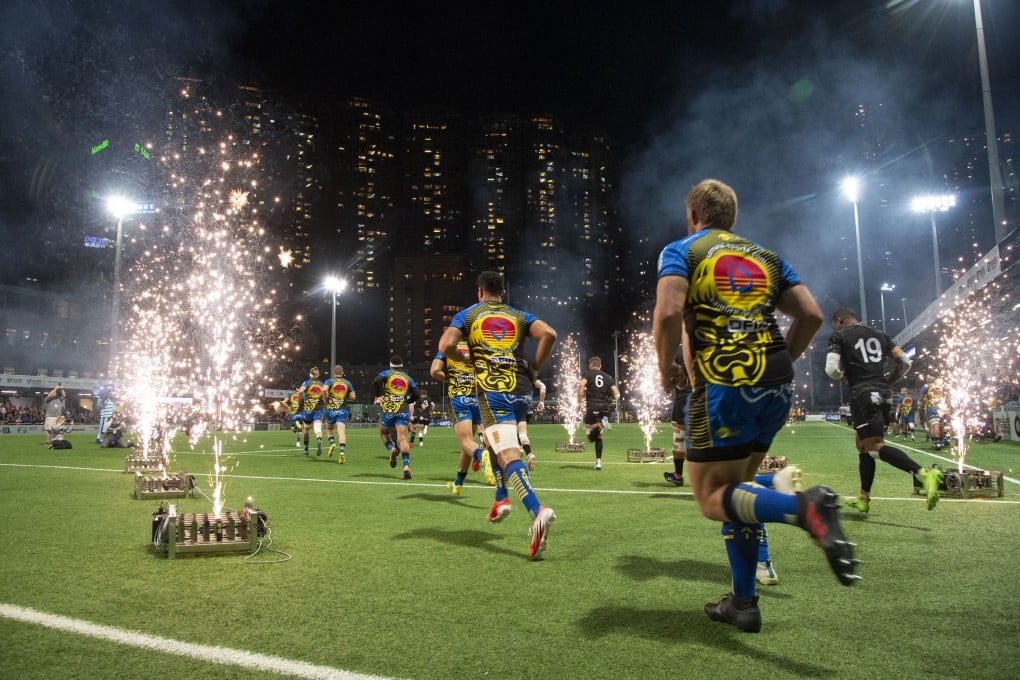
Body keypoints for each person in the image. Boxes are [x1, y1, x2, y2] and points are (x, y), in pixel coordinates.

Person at [653, 178, 858, 633]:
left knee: (710, 498)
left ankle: (804, 509)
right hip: (776, 385)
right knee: (741, 492)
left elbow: (668, 314)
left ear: (693, 216)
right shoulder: (766, 256)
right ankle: (743, 602)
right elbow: (811, 315)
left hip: (723, 384)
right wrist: (779, 360)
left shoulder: (683, 250)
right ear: (732, 218)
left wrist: (664, 366)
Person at [438, 271, 557, 560]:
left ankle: (537, 511)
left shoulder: (468, 315)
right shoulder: (518, 315)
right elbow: (550, 334)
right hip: (522, 390)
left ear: (480, 292)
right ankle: (500, 498)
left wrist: (462, 359)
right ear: (502, 291)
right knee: (495, 443)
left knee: (507, 455)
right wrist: (536, 368)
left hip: (493, 391)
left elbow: (445, 346)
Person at [826, 307, 943, 513]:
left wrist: (843, 376)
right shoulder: (880, 335)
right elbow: (905, 362)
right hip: (883, 393)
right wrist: (887, 381)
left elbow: (831, 369)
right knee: (862, 445)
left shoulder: (840, 335)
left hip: (863, 394)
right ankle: (864, 497)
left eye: (835, 324)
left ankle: (923, 473)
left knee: (874, 446)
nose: (835, 327)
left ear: (840, 320)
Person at [431, 341, 485, 495]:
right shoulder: (478, 347)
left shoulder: (448, 348)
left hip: (459, 398)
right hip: (477, 399)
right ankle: (458, 483)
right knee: (468, 444)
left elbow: (434, 371)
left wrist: (451, 377)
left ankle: (483, 458)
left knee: (466, 442)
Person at [373, 355, 420, 479]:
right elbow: (417, 394)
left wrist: (380, 395)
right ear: (401, 366)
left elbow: (376, 381)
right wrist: (409, 401)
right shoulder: (407, 378)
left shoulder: (387, 373)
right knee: (403, 439)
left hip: (388, 410)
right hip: (402, 410)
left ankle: (391, 449)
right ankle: (406, 466)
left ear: (390, 365)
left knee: (384, 433)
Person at [578, 356, 620, 470]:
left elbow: (581, 385)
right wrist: (610, 401)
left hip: (592, 405)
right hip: (605, 407)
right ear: (600, 365)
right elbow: (617, 394)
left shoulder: (588, 374)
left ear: (590, 365)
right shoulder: (608, 377)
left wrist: (578, 403)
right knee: (599, 437)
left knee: (588, 432)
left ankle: (600, 424)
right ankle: (598, 462)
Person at [323, 364, 357, 463]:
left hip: (331, 409)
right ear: (342, 373)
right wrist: (344, 396)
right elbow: (353, 397)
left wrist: (326, 398)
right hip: (343, 409)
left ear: (334, 373)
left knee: (329, 429)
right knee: (341, 432)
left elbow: (324, 389)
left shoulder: (329, 381)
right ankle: (342, 452)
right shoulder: (347, 383)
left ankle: (332, 443)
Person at [295, 366, 326, 456]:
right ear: (318, 375)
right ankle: (319, 439)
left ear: (310, 374)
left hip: (308, 409)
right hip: (319, 409)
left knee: (306, 429)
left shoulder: (307, 383)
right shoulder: (321, 384)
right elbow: (325, 395)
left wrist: (299, 401)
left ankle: (305, 449)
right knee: (317, 428)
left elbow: (300, 392)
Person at [517, 377, 545, 471]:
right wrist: (541, 402)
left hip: (509, 404)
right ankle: (529, 454)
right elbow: (543, 386)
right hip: (522, 404)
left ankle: (519, 451)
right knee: (522, 434)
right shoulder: (527, 373)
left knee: (509, 434)